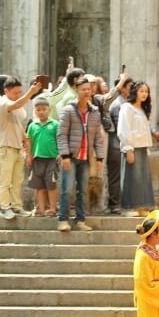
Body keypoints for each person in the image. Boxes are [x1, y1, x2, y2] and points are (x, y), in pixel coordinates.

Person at [56, 77, 104, 231]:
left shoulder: (95, 112)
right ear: (76, 90)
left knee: (83, 190)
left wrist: (100, 158)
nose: (86, 92)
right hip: (70, 157)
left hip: (86, 158)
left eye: (89, 89)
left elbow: (97, 136)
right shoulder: (68, 110)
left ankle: (80, 220)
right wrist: (64, 156)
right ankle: (63, 219)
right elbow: (61, 134)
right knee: (67, 189)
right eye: (83, 89)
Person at [0, 76, 42, 219]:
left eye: (19, 92)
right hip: (5, 147)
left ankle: (17, 206)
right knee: (5, 181)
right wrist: (31, 92)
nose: (18, 95)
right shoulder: (1, 101)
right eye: (15, 92)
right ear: (6, 91)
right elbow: (15, 105)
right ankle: (5, 207)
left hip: (17, 148)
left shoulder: (18, 104)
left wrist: (26, 144)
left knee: (17, 181)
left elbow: (19, 125)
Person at [118, 81, 159, 216]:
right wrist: (128, 148)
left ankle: (141, 206)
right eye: (141, 91)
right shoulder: (127, 107)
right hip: (131, 147)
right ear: (135, 92)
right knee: (131, 177)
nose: (144, 94)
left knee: (142, 179)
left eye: (146, 92)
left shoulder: (142, 109)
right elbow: (124, 128)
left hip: (142, 148)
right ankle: (128, 208)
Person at [24, 96, 59, 216]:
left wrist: (60, 154)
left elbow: (59, 139)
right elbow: (28, 141)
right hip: (37, 159)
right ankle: (41, 209)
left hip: (52, 159)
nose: (41, 112)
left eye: (44, 109)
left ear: (49, 110)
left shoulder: (55, 124)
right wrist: (28, 156)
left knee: (51, 184)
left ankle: (53, 209)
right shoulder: (32, 125)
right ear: (35, 111)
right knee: (39, 186)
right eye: (38, 109)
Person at [107, 77, 133, 215]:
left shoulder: (129, 104)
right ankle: (114, 204)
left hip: (125, 145)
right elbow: (120, 128)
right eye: (129, 86)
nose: (132, 89)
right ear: (122, 88)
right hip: (117, 145)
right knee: (116, 176)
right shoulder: (117, 105)